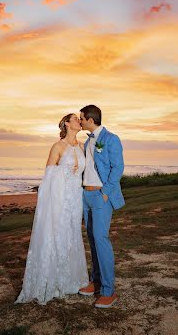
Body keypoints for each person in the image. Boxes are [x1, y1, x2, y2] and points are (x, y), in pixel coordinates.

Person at [14, 113, 89, 305]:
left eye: (79, 119)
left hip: (75, 197)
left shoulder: (82, 146)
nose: (79, 121)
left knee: (72, 234)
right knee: (57, 233)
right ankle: (53, 281)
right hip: (60, 198)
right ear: (66, 123)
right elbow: (49, 176)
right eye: (75, 119)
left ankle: (72, 279)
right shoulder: (57, 147)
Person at [78, 104, 125, 308]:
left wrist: (105, 192)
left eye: (81, 118)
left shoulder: (111, 139)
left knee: (101, 239)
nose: (79, 121)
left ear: (90, 119)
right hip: (85, 196)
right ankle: (95, 280)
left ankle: (108, 291)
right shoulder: (87, 141)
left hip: (100, 196)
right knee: (92, 240)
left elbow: (118, 168)